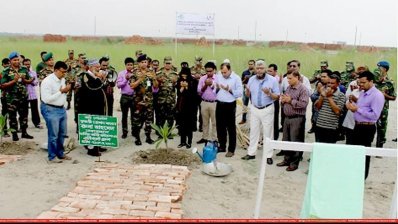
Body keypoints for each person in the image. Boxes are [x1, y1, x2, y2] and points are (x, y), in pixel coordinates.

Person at [346, 71, 384, 180]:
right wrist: (353, 107)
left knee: (363, 154)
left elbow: (375, 115)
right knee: (354, 152)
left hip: (367, 128)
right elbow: (362, 108)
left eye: (363, 82)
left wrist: (357, 109)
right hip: (357, 126)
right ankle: (353, 176)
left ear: (371, 81)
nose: (360, 85)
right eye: (359, 82)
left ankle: (362, 178)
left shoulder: (377, 95)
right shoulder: (363, 92)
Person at [241, 60, 280, 163]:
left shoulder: (272, 80)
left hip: (267, 109)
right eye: (257, 68)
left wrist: (269, 93)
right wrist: (247, 92)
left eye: (261, 68)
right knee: (253, 131)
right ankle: (251, 153)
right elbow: (248, 95)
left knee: (268, 132)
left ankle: (268, 155)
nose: (259, 70)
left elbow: (277, 96)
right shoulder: (252, 79)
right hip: (254, 108)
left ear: (265, 69)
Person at [276, 69, 309, 171]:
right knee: (286, 140)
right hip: (287, 118)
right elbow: (285, 99)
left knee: (296, 141)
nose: (288, 80)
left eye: (290, 78)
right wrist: (283, 101)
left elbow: (304, 104)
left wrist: (290, 101)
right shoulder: (288, 88)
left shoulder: (303, 89)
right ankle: (287, 159)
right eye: (287, 79)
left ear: (297, 77)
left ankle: (294, 163)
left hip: (297, 118)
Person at [40, 61, 72, 163]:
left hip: (61, 109)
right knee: (53, 134)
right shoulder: (47, 81)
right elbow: (47, 99)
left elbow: (62, 93)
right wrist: (61, 91)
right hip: (50, 108)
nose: (64, 74)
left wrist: (65, 92)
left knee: (62, 133)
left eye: (65, 72)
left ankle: (60, 153)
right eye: (62, 72)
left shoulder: (62, 79)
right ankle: (52, 157)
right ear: (56, 70)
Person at [0, 52, 34, 141]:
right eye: (14, 60)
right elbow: (2, 85)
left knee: (24, 115)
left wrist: (28, 80)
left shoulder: (23, 69)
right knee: (12, 116)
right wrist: (14, 81)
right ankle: (14, 133)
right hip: (11, 97)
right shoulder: (6, 71)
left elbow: (28, 80)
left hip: (23, 96)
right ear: (10, 61)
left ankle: (24, 132)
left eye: (18, 59)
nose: (17, 61)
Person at [78, 59, 108, 156]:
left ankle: (97, 145)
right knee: (91, 127)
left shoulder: (95, 76)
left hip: (97, 106)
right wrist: (99, 79)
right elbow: (92, 88)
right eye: (96, 67)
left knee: (98, 126)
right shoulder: (85, 77)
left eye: (99, 67)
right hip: (89, 107)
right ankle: (92, 149)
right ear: (90, 67)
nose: (99, 69)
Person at [214, 62, 243, 157]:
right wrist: (217, 88)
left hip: (230, 105)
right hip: (219, 104)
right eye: (222, 72)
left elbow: (239, 93)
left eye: (225, 72)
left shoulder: (236, 78)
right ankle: (222, 146)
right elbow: (214, 90)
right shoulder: (218, 76)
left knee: (230, 127)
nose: (223, 74)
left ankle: (231, 149)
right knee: (220, 127)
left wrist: (229, 90)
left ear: (230, 70)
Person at [129, 54, 158, 145]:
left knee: (149, 120)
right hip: (138, 101)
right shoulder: (134, 72)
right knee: (137, 120)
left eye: (145, 62)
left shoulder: (151, 71)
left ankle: (148, 137)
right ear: (138, 63)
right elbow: (132, 86)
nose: (144, 64)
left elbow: (156, 86)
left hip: (148, 100)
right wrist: (140, 78)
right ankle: (137, 138)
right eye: (142, 62)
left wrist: (154, 79)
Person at [314, 73, 346, 143]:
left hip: (331, 127)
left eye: (332, 83)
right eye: (328, 83)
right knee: (318, 148)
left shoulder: (341, 95)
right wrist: (322, 96)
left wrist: (329, 97)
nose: (329, 85)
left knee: (329, 150)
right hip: (319, 125)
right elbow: (318, 107)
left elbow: (337, 111)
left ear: (338, 84)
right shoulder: (323, 92)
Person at [374, 61, 396, 148]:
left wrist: (385, 95)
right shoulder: (372, 80)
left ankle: (379, 147)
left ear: (385, 69)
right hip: (370, 108)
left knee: (381, 129)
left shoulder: (390, 82)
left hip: (383, 109)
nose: (377, 69)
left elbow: (394, 97)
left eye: (380, 68)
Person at [196, 61, 218, 144]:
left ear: (214, 70)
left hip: (215, 103)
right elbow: (199, 92)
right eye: (207, 71)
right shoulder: (202, 78)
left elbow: (219, 91)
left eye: (211, 71)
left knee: (215, 122)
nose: (209, 73)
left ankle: (214, 139)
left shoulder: (218, 79)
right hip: (204, 102)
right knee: (204, 122)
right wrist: (205, 85)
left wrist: (212, 84)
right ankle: (204, 137)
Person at [155, 56, 178, 132]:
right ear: (164, 63)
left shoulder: (175, 74)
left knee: (170, 117)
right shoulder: (158, 73)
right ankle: (160, 132)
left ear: (171, 64)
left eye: (169, 63)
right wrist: (158, 81)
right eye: (166, 63)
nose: (168, 65)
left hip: (170, 99)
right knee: (160, 116)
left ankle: (168, 132)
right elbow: (154, 86)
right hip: (161, 98)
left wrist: (175, 82)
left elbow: (178, 86)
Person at [176, 67, 196, 148]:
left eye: (185, 76)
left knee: (189, 125)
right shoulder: (179, 81)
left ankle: (189, 142)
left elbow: (194, 94)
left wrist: (187, 87)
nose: (184, 77)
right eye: (182, 75)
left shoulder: (193, 81)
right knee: (182, 125)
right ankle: (182, 141)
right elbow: (178, 93)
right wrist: (182, 87)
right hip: (181, 106)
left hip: (190, 106)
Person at [116, 57, 135, 139]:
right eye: (128, 65)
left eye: (131, 65)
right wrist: (125, 80)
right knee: (124, 115)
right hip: (124, 97)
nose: (130, 66)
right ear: (125, 65)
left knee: (134, 115)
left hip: (134, 97)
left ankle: (134, 131)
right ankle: (125, 132)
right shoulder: (121, 73)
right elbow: (118, 85)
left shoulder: (136, 73)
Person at [22, 58, 42, 129]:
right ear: (23, 65)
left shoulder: (33, 72)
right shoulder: (21, 73)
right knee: (24, 110)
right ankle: (24, 125)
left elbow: (36, 83)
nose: (27, 65)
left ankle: (37, 123)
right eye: (25, 64)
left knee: (35, 109)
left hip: (33, 94)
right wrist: (29, 80)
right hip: (24, 94)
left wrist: (30, 81)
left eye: (28, 64)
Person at [267, 63, 282, 140]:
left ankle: (275, 138)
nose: (268, 72)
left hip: (275, 101)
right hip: (268, 100)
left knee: (274, 120)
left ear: (275, 71)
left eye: (270, 71)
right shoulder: (268, 78)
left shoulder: (276, 79)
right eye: (268, 71)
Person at [191, 56, 206, 132]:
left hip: (202, 93)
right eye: (197, 61)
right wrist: (194, 77)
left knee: (202, 111)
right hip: (193, 93)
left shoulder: (205, 69)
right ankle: (193, 125)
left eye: (200, 61)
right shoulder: (191, 69)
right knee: (193, 110)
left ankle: (201, 126)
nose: (198, 63)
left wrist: (200, 77)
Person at [239, 60, 255, 125]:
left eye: (252, 64)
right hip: (246, 90)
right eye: (249, 64)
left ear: (254, 64)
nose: (250, 65)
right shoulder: (244, 72)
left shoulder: (256, 73)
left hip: (254, 91)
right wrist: (245, 80)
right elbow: (241, 82)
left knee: (254, 105)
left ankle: (254, 120)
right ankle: (243, 119)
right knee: (244, 105)